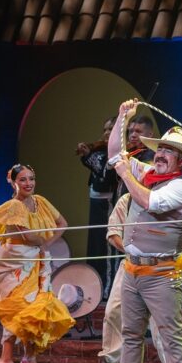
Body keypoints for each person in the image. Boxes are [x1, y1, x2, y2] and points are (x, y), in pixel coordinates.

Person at [100, 99, 182, 363]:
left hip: (161, 273)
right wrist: (122, 116)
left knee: (171, 335)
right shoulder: (146, 173)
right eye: (158, 149)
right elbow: (114, 153)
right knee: (130, 335)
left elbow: (148, 201)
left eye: (168, 151)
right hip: (132, 270)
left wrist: (124, 173)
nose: (159, 154)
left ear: (180, 161)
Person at [0, 164, 74, 363]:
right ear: (13, 182)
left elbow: (62, 223)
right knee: (18, 309)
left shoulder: (40, 202)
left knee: (38, 307)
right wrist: (42, 243)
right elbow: (28, 235)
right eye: (22, 179)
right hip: (16, 262)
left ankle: (29, 358)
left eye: (31, 178)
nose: (28, 183)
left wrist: (47, 244)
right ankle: (4, 360)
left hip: (37, 260)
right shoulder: (14, 207)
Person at [82, 192, 173, 363]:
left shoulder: (166, 198)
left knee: (161, 318)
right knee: (114, 310)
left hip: (159, 266)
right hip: (131, 264)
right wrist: (131, 249)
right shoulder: (127, 200)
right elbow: (113, 232)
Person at [76, 116, 117, 295]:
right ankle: (94, 286)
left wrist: (88, 157)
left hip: (107, 205)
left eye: (111, 129)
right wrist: (88, 154)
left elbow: (105, 173)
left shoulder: (115, 154)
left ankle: (107, 288)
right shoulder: (101, 152)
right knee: (94, 245)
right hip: (96, 202)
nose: (106, 133)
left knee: (106, 247)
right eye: (105, 130)